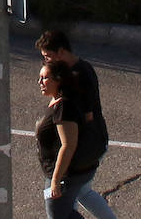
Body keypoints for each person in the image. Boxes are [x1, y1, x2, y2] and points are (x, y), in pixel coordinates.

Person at [36, 30, 117, 219]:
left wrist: (59, 175)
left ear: (61, 52)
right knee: (82, 193)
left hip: (81, 154)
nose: (47, 62)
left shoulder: (80, 76)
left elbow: (83, 122)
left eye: (48, 56)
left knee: (62, 208)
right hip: (83, 153)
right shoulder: (75, 72)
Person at [36, 60, 100, 219]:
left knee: (57, 214)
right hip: (61, 172)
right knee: (62, 214)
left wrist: (56, 181)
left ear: (59, 80)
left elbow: (68, 145)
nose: (40, 82)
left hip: (64, 174)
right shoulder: (58, 101)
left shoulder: (64, 107)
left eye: (45, 78)